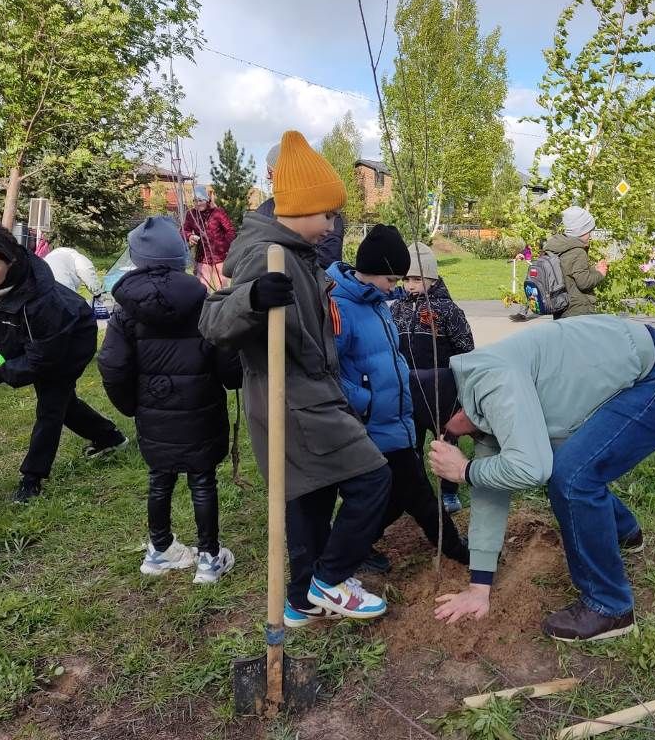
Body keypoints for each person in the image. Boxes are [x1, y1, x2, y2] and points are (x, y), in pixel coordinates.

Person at [198, 130, 391, 626]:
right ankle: (329, 583)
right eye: (326, 215)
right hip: (294, 398)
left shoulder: (298, 251)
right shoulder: (267, 254)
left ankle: (301, 597)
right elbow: (212, 321)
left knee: (309, 497)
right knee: (373, 478)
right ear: (300, 208)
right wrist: (252, 298)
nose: (331, 225)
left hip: (304, 393)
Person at [426, 316, 655, 642]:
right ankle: (624, 532)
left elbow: (532, 468)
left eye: (449, 431)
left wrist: (463, 470)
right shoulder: (478, 402)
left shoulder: (493, 381)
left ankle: (609, 607)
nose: (454, 437)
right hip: (641, 372)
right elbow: (491, 490)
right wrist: (478, 587)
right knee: (572, 468)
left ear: (455, 411)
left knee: (571, 477)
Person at [97, 217, 241, 583]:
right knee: (202, 480)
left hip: (154, 410)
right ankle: (209, 558)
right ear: (180, 257)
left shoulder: (125, 309)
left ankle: (159, 550)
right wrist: (231, 379)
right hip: (201, 410)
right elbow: (225, 355)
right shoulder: (203, 300)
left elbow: (112, 363)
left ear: (136, 258)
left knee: (159, 479)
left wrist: (132, 404)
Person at [328, 226, 469, 573]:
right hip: (373, 422)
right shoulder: (340, 309)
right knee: (416, 493)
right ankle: (454, 548)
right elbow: (328, 373)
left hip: (396, 418)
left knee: (394, 495)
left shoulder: (377, 304)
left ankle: (349, 547)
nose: (395, 287)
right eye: (392, 279)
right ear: (373, 271)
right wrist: (367, 402)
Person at [0, 224, 127, 503]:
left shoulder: (41, 298)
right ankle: (110, 438)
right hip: (33, 342)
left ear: (10, 261)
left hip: (70, 340)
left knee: (50, 406)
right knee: (63, 403)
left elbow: (43, 357)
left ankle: (32, 478)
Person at [391, 241, 474, 514]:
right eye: (406, 279)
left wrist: (460, 381)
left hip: (442, 390)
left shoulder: (447, 311)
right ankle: (416, 493)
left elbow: (465, 347)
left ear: (432, 278)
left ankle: (449, 492)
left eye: (416, 279)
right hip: (409, 389)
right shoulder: (396, 309)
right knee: (410, 444)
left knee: (445, 440)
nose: (410, 285)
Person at [257, 142, 345, 269]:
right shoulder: (264, 210)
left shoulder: (325, 212)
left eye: (270, 172)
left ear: (286, 174)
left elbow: (327, 264)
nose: (266, 176)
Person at [541, 206, 609, 318]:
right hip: (577, 310)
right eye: (589, 232)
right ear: (581, 230)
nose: (590, 236)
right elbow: (584, 283)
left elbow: (569, 273)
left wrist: (593, 269)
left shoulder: (558, 247)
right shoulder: (578, 251)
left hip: (560, 305)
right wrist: (600, 274)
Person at [182, 185, 236, 291]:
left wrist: (223, 247)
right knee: (201, 290)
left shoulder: (218, 212)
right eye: (195, 201)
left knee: (222, 290)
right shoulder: (191, 214)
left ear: (207, 200)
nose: (198, 203)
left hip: (220, 257)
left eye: (200, 200)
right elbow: (183, 230)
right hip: (203, 257)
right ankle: (203, 307)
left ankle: (221, 307)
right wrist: (190, 236)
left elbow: (231, 232)